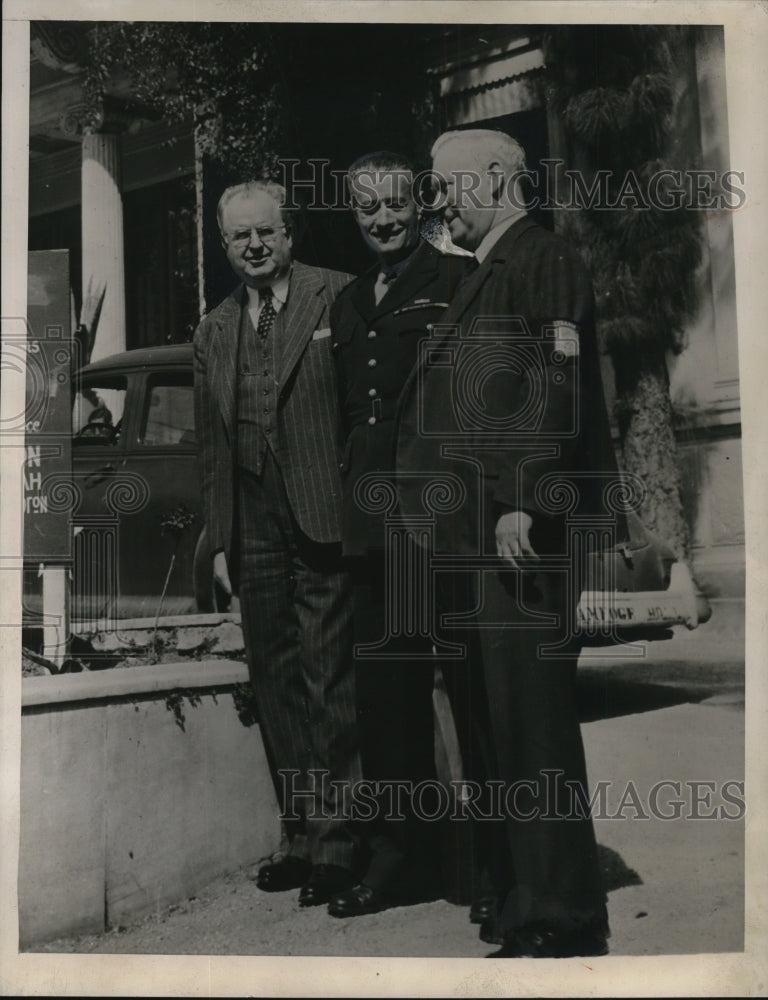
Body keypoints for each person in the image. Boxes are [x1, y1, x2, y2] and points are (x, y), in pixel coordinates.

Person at [395, 129, 625, 957]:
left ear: (495, 178)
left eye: (446, 185)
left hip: (520, 535)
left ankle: (562, 911)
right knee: (492, 726)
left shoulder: (541, 257)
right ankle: (513, 895)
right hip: (474, 541)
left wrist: (524, 498)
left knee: (532, 730)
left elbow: (554, 385)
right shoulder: (485, 268)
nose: (438, 201)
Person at [193, 180, 360, 908]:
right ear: (225, 245)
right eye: (240, 237)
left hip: (323, 513)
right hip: (251, 522)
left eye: (267, 232)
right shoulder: (214, 328)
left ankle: (342, 843)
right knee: (275, 680)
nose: (255, 246)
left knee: (331, 676)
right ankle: (299, 834)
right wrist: (223, 542)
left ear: (290, 235)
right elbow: (211, 449)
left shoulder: (341, 296)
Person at [325, 152, 470, 918]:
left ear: (422, 205)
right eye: (367, 209)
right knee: (386, 702)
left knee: (469, 692)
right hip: (373, 531)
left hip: (438, 523)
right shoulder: (349, 304)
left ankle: (485, 861)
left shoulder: (455, 283)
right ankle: (397, 857)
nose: (382, 220)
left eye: (394, 204)